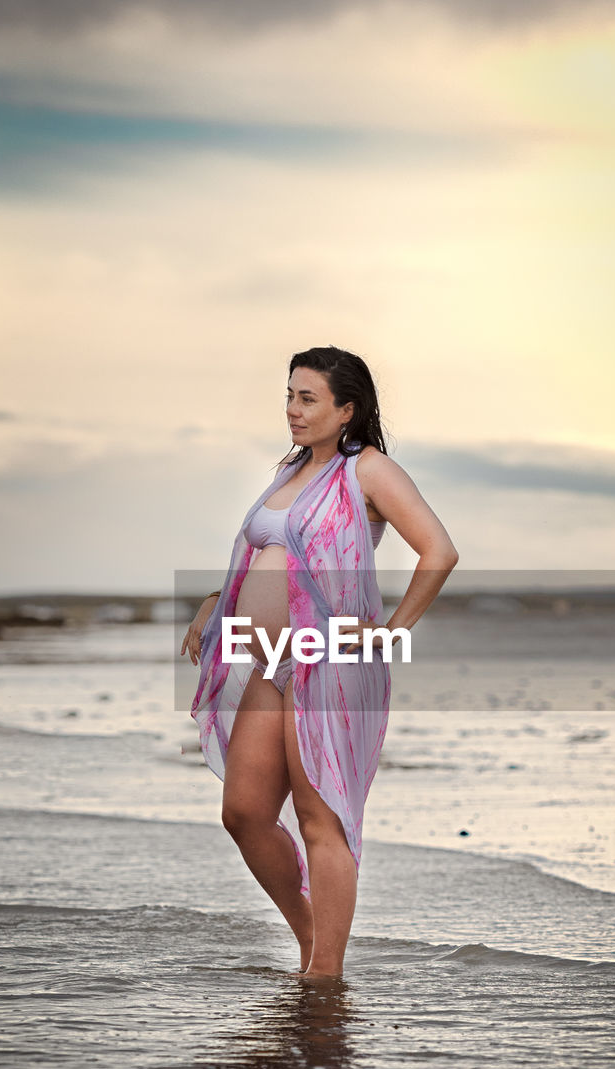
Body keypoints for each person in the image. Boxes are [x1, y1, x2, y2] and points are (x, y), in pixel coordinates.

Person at [181, 346, 458, 980]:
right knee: (244, 812)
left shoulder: (370, 471)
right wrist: (214, 603)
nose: (292, 410)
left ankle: (324, 974)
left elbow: (438, 552)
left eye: (308, 399)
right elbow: (263, 559)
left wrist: (391, 632)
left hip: (329, 664)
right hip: (273, 661)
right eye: (289, 396)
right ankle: (313, 944)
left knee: (319, 818)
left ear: (346, 410)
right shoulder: (290, 472)